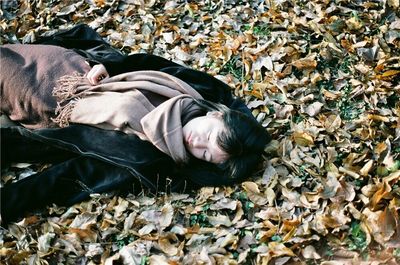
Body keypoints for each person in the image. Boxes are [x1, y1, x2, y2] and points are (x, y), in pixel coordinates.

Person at [0, 25, 270, 224]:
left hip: (49, 107)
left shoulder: (148, 154)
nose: (198, 143)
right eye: (209, 136)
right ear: (215, 116)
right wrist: (103, 64)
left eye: (206, 154)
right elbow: (141, 62)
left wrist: (9, 202)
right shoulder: (188, 91)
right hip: (76, 70)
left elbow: (77, 172)